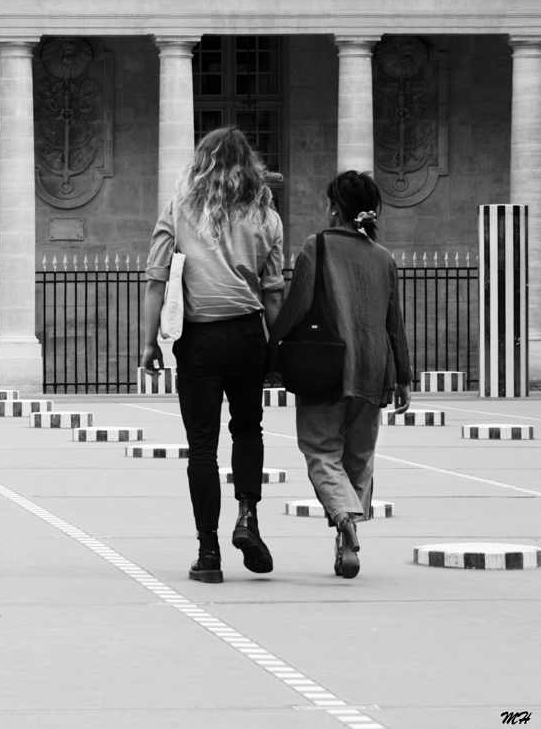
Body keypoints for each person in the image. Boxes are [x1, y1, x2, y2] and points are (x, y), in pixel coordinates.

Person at [141, 126, 285, 584]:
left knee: (202, 447)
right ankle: (248, 518)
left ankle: (208, 552)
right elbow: (274, 291)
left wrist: (149, 343)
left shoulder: (181, 206)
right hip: (247, 334)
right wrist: (277, 348)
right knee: (248, 429)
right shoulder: (265, 212)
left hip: (199, 339)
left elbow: (156, 279)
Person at [270, 170, 412, 579]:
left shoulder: (318, 247)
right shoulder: (383, 257)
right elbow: (394, 323)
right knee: (359, 458)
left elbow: (296, 307)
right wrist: (403, 376)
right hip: (374, 371)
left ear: (335, 207)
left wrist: (273, 349)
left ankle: (346, 519)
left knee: (321, 453)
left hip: (326, 368)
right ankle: (346, 540)